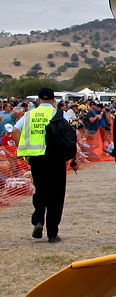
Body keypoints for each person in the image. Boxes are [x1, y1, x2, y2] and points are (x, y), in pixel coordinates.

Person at [18, 88, 75, 242]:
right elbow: (67, 136)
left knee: (40, 190)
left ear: (38, 100)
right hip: (55, 158)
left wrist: (23, 149)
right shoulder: (58, 114)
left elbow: (15, 130)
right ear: (53, 101)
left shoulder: (29, 114)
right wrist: (72, 157)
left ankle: (38, 220)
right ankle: (52, 233)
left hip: (36, 159)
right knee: (56, 195)